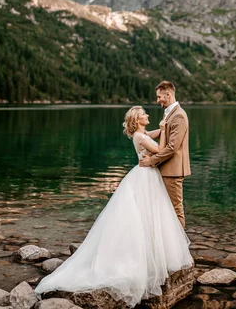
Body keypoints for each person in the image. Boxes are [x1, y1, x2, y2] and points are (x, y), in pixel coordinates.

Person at [34, 106, 193, 307]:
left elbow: (156, 133)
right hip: (146, 176)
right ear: (137, 119)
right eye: (144, 114)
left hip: (146, 176)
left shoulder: (142, 134)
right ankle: (146, 258)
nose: (147, 115)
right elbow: (161, 150)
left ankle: (152, 253)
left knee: (149, 215)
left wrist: (164, 127)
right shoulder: (140, 137)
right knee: (146, 214)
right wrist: (162, 131)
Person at [139, 81, 190, 228]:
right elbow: (164, 135)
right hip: (166, 169)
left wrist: (151, 161)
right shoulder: (169, 113)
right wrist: (143, 135)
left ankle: (181, 249)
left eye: (159, 96)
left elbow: (173, 147)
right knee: (166, 209)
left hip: (173, 171)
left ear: (168, 94)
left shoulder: (179, 116)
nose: (157, 100)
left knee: (175, 210)